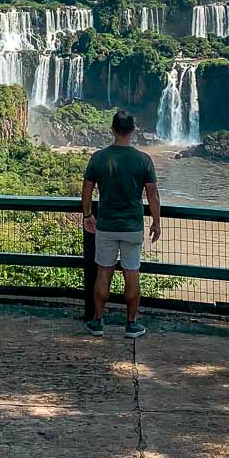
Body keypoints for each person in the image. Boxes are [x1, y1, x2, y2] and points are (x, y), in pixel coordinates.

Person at [81, 110, 161, 338]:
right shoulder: (143, 160)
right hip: (133, 227)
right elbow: (153, 194)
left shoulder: (98, 158)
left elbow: (87, 189)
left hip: (105, 226)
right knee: (132, 273)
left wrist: (87, 215)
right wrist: (156, 222)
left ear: (112, 129)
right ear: (133, 130)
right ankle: (132, 324)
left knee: (103, 272)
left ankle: (97, 321)